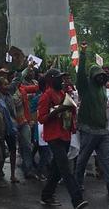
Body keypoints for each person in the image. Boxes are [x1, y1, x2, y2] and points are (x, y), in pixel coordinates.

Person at [73, 43, 109, 195]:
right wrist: (83, 53)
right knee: (83, 159)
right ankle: (77, 183)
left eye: (102, 75)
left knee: (108, 159)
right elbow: (80, 74)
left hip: (103, 130)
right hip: (89, 129)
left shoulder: (103, 88)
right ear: (92, 76)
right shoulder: (85, 87)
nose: (100, 77)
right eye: (98, 75)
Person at [37, 68, 87, 209]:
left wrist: (72, 121)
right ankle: (77, 200)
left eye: (62, 78)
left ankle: (46, 195)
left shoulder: (62, 93)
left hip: (65, 135)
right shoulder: (46, 96)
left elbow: (70, 112)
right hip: (54, 137)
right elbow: (41, 118)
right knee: (65, 169)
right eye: (59, 78)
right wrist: (57, 110)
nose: (62, 80)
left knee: (56, 169)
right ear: (51, 80)